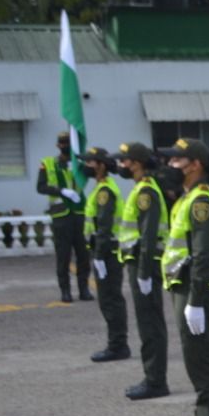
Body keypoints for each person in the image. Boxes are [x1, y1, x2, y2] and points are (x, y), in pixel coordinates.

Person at [159, 138, 209, 416]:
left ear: (195, 164)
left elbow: (202, 255)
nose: (170, 165)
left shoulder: (201, 202)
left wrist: (196, 301)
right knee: (194, 360)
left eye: (177, 160)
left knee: (203, 361)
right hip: (184, 287)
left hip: (195, 289)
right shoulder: (187, 199)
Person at [113, 142, 171, 401]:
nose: (121, 165)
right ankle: (152, 377)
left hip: (144, 263)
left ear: (136, 163)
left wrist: (145, 273)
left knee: (150, 323)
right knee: (146, 321)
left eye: (124, 161)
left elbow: (148, 236)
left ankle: (156, 381)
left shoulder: (146, 192)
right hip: (138, 263)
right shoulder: (140, 189)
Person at [79, 147, 130, 362]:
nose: (86, 166)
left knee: (110, 299)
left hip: (108, 251)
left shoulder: (105, 192)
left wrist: (99, 255)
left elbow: (104, 226)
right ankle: (117, 344)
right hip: (106, 250)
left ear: (101, 165)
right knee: (108, 298)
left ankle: (118, 346)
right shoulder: (101, 188)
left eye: (90, 162)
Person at [36, 131, 91, 302]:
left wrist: (81, 160)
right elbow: (41, 187)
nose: (65, 146)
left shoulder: (79, 164)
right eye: (63, 143)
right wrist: (61, 191)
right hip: (61, 215)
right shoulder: (48, 163)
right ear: (58, 145)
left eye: (69, 143)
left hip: (79, 213)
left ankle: (84, 289)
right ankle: (65, 291)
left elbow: (94, 171)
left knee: (83, 255)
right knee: (63, 256)